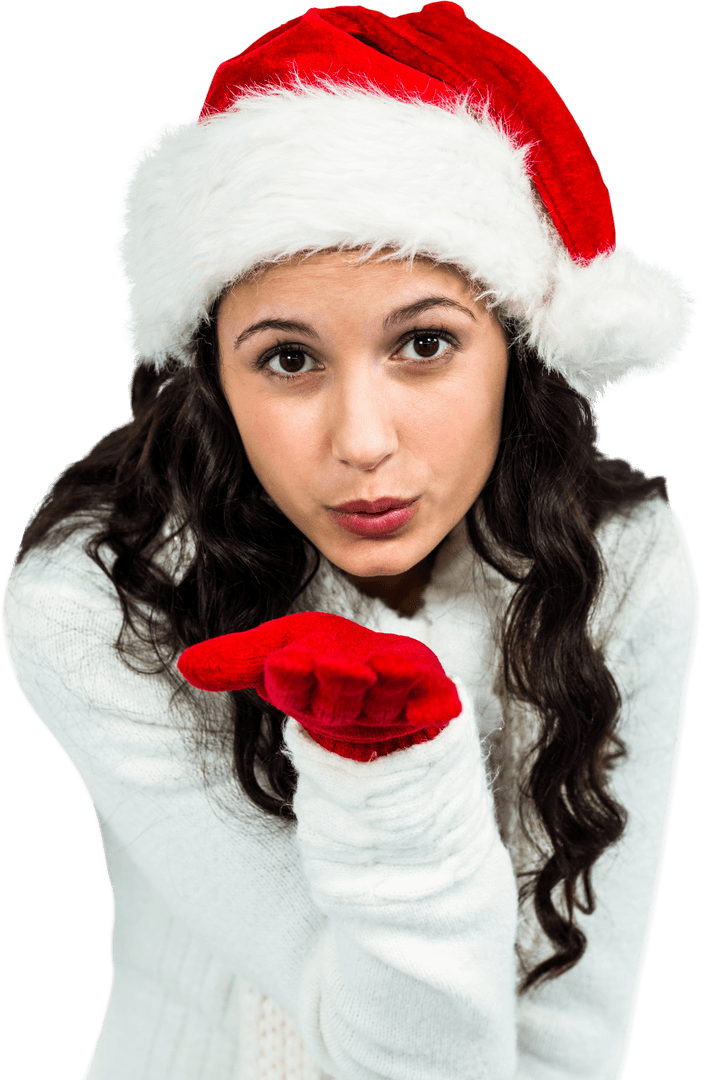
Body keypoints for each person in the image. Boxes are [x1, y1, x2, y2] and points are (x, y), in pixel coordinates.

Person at [2, 2, 699, 1078]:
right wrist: (391, 777)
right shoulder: (100, 593)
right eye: (288, 360)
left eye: (425, 344)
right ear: (212, 376)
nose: (361, 442)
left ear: (515, 350)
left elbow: (573, 1037)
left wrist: (393, 759)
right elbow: (386, 1055)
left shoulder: (621, 568)